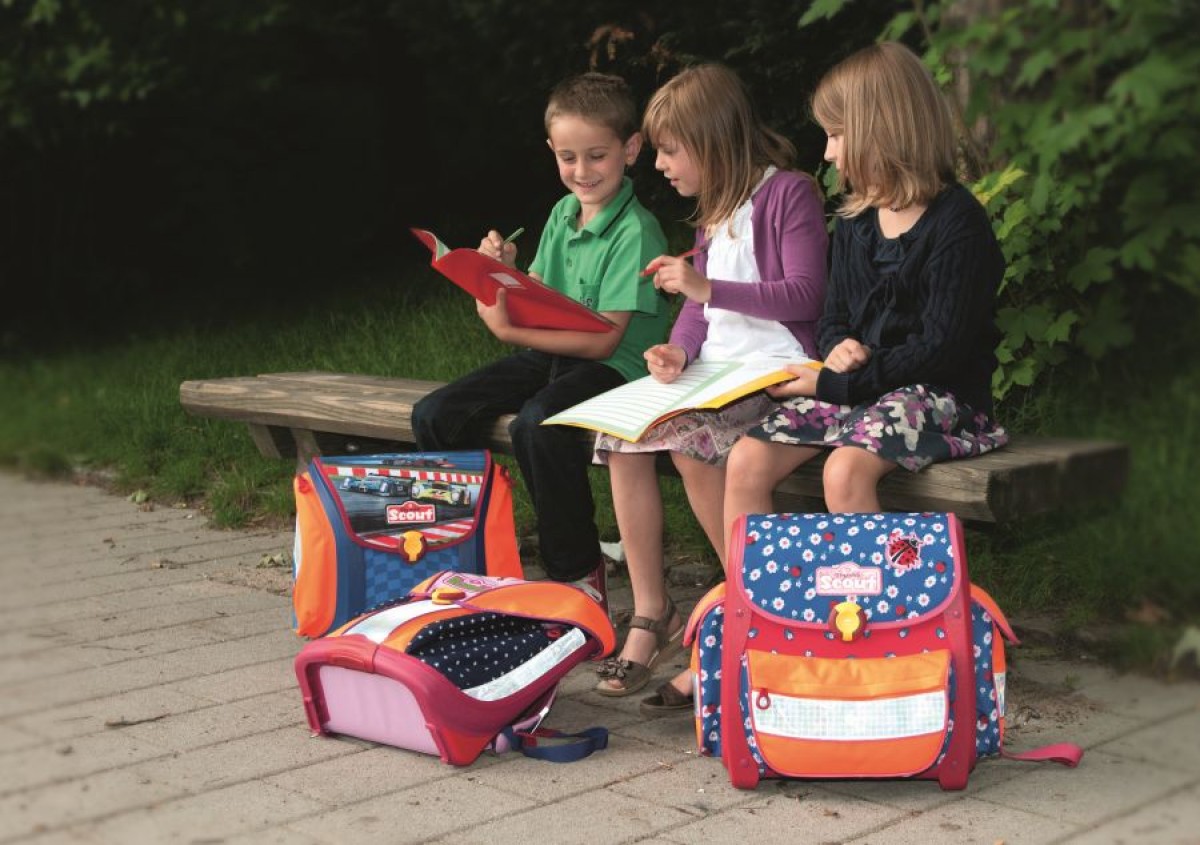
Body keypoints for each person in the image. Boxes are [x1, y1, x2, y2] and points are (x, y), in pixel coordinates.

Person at [644, 41, 1011, 714]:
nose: (830, 151)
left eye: (838, 135)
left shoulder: (958, 223)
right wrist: (839, 349)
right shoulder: (858, 219)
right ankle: (757, 641)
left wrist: (835, 382)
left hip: (941, 396)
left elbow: (940, 349)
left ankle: (885, 653)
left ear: (881, 130)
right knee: (747, 459)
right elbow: (835, 315)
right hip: (861, 388)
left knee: (845, 473)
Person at [591, 63, 828, 698]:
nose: (660, 164)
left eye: (670, 150)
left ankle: (749, 613)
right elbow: (700, 314)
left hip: (777, 377)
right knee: (622, 439)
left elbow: (806, 295)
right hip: (718, 377)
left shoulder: (789, 195)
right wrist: (677, 349)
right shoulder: (713, 213)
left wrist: (706, 286)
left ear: (712, 141)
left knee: (690, 443)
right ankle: (652, 612)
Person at [411, 72, 670, 610]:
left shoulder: (636, 230)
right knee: (434, 413)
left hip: (618, 368)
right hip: (553, 352)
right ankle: (464, 551)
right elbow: (539, 294)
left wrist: (506, 330)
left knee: (538, 425)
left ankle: (577, 574)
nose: (582, 171)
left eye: (596, 156)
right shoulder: (562, 212)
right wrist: (501, 271)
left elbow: (604, 343)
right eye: (568, 157)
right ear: (552, 151)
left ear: (630, 149)